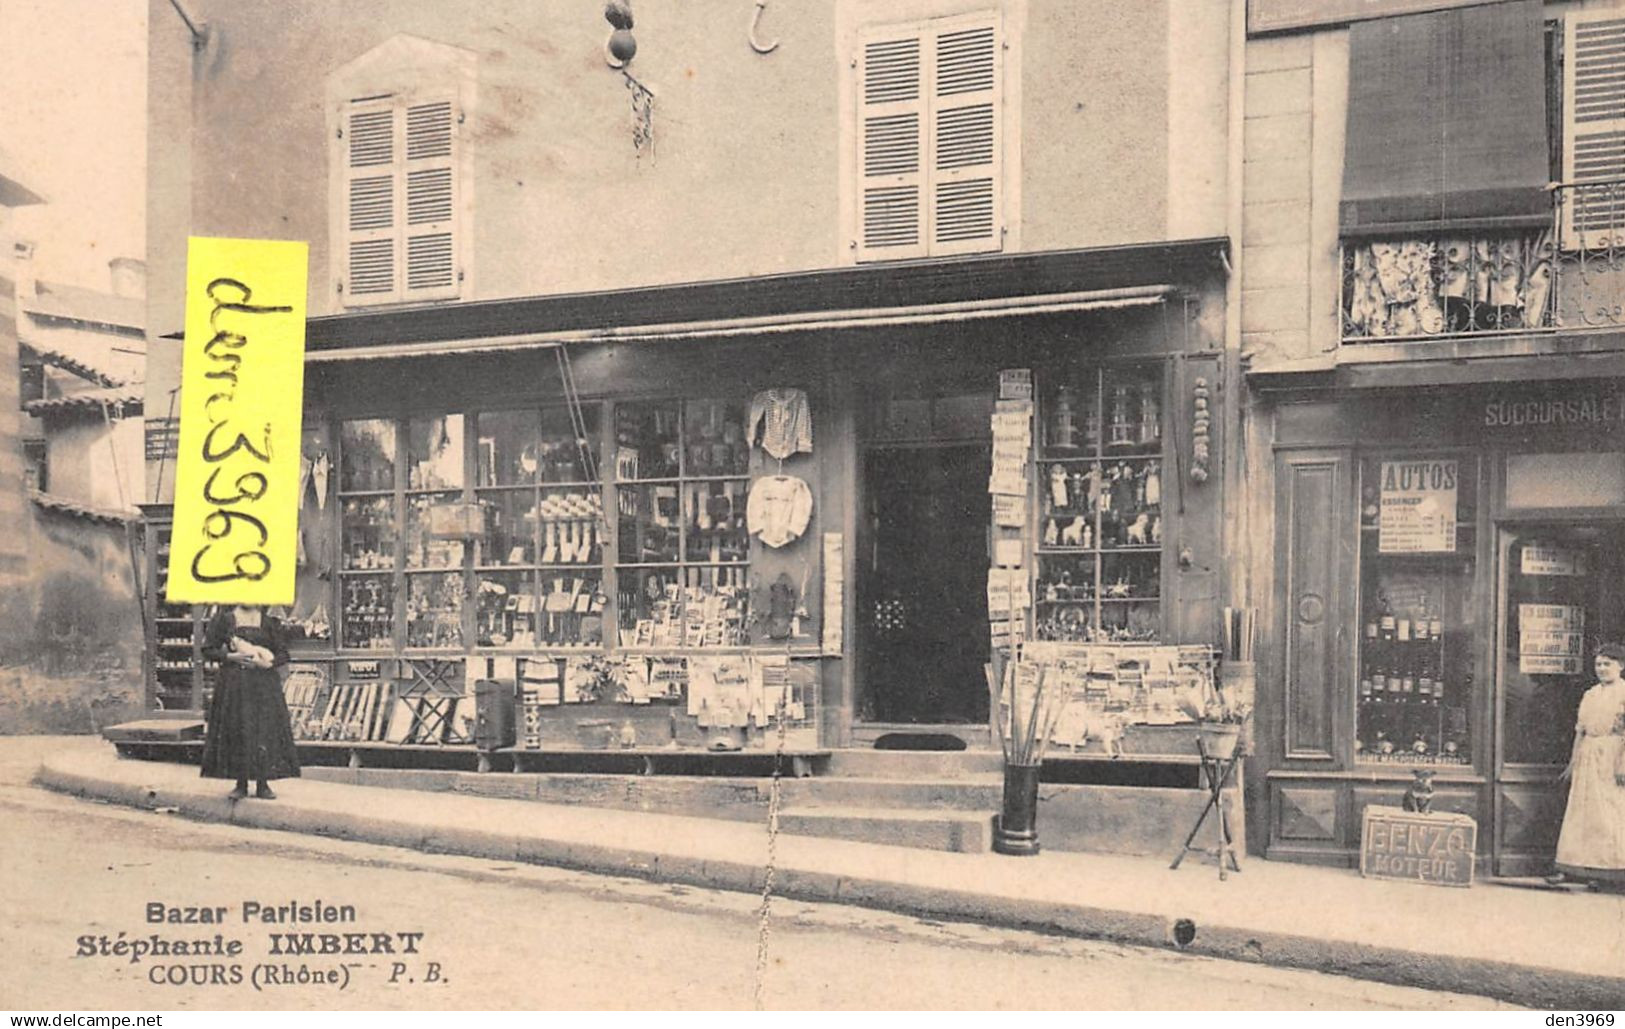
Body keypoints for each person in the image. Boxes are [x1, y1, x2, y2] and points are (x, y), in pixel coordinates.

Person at [198, 604, 301, 800]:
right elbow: (207, 649)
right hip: (235, 684)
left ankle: (263, 784)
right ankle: (241, 784)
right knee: (239, 729)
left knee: (264, 730)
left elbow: (283, 653)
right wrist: (231, 656)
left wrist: (268, 663)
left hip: (264, 685)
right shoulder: (225, 619)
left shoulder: (269, 621)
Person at [1548, 643, 1625, 889]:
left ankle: (1606, 871)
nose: (1602, 668)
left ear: (1621, 666)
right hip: (1588, 756)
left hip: (1612, 756)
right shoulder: (1591, 694)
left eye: (1607, 664)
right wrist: (1573, 761)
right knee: (1581, 813)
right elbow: (1580, 732)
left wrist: (1623, 765)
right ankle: (1572, 866)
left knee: (1608, 815)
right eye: (1598, 664)